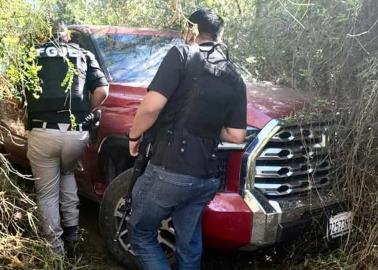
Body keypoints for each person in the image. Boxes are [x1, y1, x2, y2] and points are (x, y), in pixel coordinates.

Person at [128, 9, 247, 270]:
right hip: (207, 176)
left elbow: (150, 107)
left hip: (170, 169)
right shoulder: (235, 75)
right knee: (189, 243)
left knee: (140, 233)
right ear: (220, 35)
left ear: (191, 29)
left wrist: (134, 136)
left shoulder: (181, 54)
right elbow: (237, 135)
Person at [26, 21, 109, 255]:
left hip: (42, 132)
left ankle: (56, 252)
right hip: (76, 132)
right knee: (67, 173)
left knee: (47, 193)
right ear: (67, 36)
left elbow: (19, 91)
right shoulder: (83, 54)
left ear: (45, 35)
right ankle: (73, 237)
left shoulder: (31, 54)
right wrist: (86, 112)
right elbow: (103, 90)